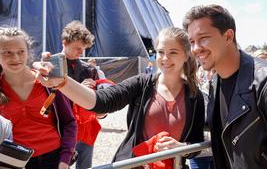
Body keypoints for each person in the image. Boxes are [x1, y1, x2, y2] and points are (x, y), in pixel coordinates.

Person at [35, 27, 205, 167]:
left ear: (186, 55)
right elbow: (102, 101)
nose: (165, 58)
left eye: (173, 52)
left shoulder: (194, 96)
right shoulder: (142, 84)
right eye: (161, 52)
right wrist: (62, 82)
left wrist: (180, 147)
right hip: (134, 165)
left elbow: (196, 143)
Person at [183, 4, 267, 168]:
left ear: (228, 36)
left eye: (203, 38)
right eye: (191, 41)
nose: (196, 48)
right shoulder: (215, 83)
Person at [0, 27, 76, 169]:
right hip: (13, 162)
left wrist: (65, 160)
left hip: (54, 159)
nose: (15, 58)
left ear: (28, 52)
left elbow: (69, 122)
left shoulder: (47, 82)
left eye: (21, 51)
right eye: (7, 52)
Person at [59, 20, 100, 169]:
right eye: (77, 48)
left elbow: (99, 101)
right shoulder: (52, 66)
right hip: (61, 129)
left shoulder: (89, 70)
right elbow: (48, 99)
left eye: (83, 49)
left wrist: (101, 111)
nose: (81, 53)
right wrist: (79, 91)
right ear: (65, 42)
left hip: (86, 129)